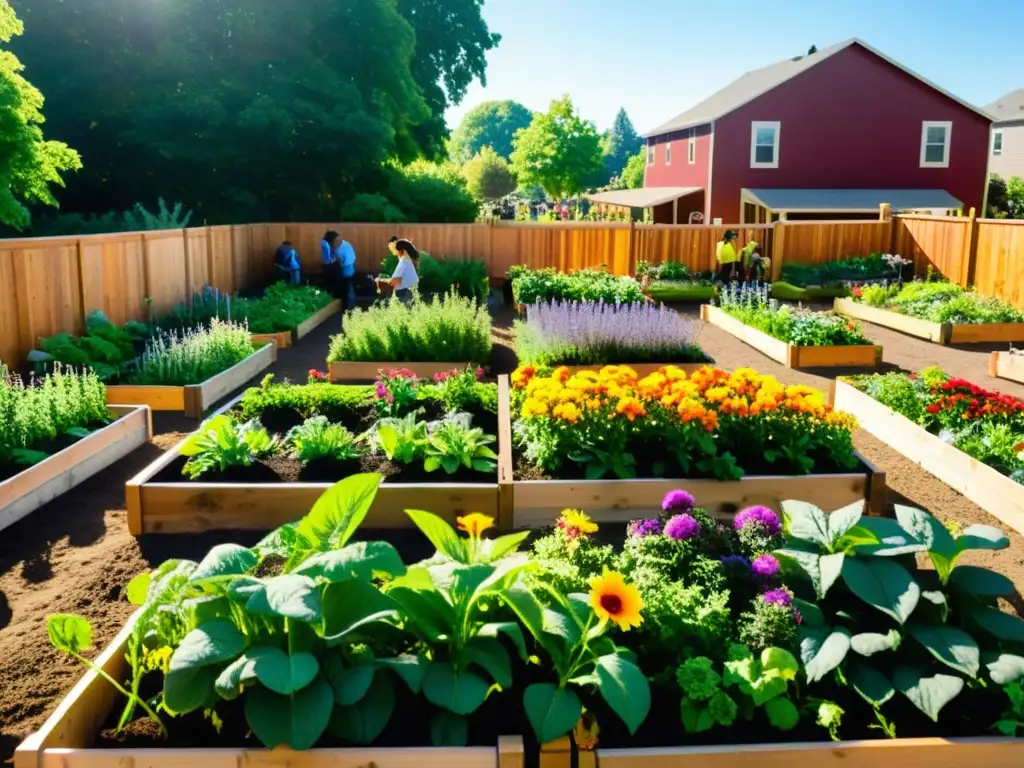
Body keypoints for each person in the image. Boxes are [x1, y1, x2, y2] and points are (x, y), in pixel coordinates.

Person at [376, 238, 419, 303]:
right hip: (409, 290)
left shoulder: (404, 263)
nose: (396, 252)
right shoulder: (408, 261)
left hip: (403, 293)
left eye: (397, 250)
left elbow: (395, 281)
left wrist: (381, 281)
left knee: (405, 311)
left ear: (403, 251)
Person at [335, 234, 357, 311]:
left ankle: (350, 308)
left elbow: (349, 259)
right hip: (345, 271)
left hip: (348, 271)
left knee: (349, 290)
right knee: (346, 290)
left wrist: (341, 264)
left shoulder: (345, 247)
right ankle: (347, 307)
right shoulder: (341, 246)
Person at [320, 230, 341, 295]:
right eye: (336, 240)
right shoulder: (326, 247)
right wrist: (336, 259)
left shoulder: (326, 245)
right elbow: (328, 260)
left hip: (329, 266)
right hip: (330, 267)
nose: (338, 242)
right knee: (332, 283)